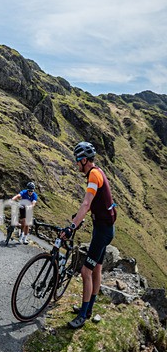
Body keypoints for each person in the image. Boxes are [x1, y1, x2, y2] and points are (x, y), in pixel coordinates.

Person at [64, 141, 117, 329]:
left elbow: (86, 204)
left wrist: (72, 226)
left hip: (102, 231)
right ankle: (88, 309)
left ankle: (82, 315)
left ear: (84, 160)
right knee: (96, 269)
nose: (76, 164)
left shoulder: (94, 175)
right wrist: (79, 217)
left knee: (86, 271)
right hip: (104, 228)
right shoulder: (97, 172)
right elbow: (93, 204)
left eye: (77, 160)